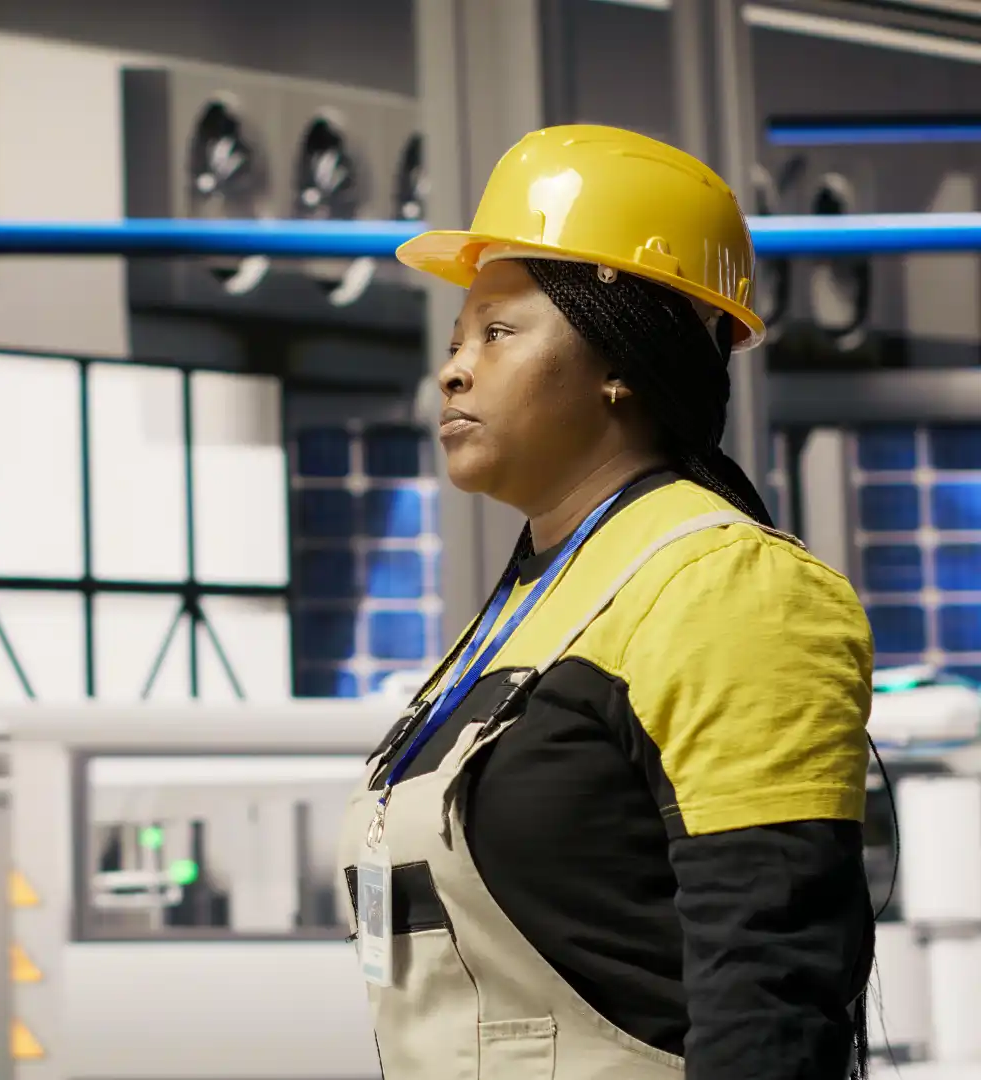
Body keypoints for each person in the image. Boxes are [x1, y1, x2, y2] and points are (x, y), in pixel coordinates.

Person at [338, 124, 876, 1079]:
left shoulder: (725, 589)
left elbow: (772, 986)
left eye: (499, 332)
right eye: (459, 338)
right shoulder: (530, 600)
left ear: (621, 357)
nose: (453, 368)